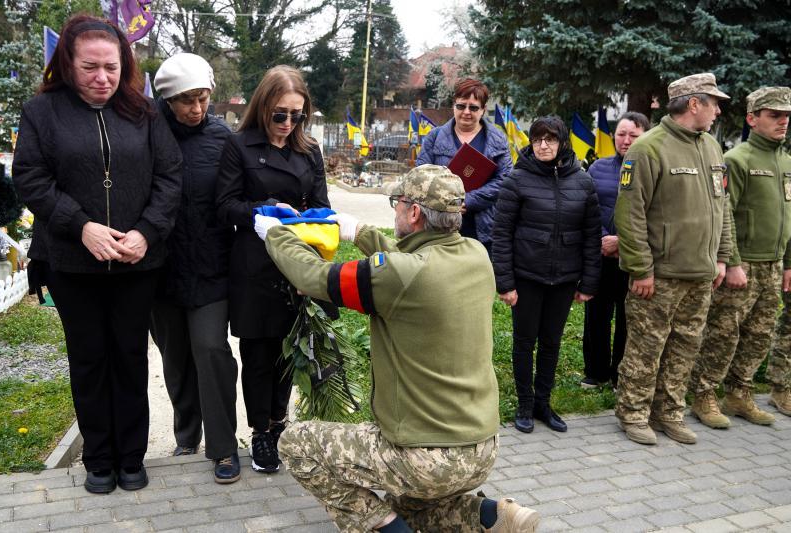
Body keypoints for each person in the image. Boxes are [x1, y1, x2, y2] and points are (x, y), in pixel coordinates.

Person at [252, 164, 539, 533]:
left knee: (297, 444)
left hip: (425, 455)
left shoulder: (399, 275)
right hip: (481, 449)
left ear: (414, 212)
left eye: (397, 203)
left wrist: (277, 236)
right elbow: (411, 263)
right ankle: (492, 516)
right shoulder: (475, 254)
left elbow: (315, 277)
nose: (395, 210)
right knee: (411, 510)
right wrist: (357, 230)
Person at [12, 15, 182, 493]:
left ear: (124, 65)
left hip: (136, 263)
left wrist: (147, 232)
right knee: (88, 358)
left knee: (129, 355)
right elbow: (30, 177)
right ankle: (98, 458)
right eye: (90, 67)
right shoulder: (41, 113)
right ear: (67, 62)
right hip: (72, 262)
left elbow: (170, 177)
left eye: (111, 67)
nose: (102, 78)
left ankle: (132, 457)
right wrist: (80, 226)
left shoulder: (145, 114)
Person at [215, 65, 329, 474]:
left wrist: (315, 240)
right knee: (258, 353)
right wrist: (259, 213)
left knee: (288, 352)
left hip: (296, 262)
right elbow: (224, 204)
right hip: (254, 263)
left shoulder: (308, 149)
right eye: (280, 114)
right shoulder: (239, 145)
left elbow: (322, 206)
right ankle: (260, 430)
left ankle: (279, 423)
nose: (287, 124)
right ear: (263, 107)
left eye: (297, 116)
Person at [614, 73, 732, 445]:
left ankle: (669, 412)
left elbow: (721, 207)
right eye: (713, 103)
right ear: (694, 103)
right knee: (646, 348)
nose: (717, 110)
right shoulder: (649, 148)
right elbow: (629, 213)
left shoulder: (712, 147)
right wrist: (641, 269)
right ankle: (633, 414)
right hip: (660, 275)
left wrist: (722, 258)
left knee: (685, 347)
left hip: (701, 273)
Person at [150, 53, 240, 483]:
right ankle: (187, 435)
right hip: (162, 271)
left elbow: (238, 195)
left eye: (203, 99)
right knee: (175, 358)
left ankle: (223, 447)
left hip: (210, 270)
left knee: (211, 350)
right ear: (167, 99)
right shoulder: (148, 134)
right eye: (187, 101)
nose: (196, 110)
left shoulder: (223, 139)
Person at [689, 86, 791, 427]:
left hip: (773, 264)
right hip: (743, 263)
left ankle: (738, 394)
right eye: (774, 115)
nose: (783, 121)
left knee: (759, 334)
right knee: (723, 333)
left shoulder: (786, 161)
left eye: (786, 116)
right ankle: (704, 396)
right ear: (752, 118)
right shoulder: (737, 160)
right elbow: (724, 215)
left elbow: (788, 218)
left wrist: (788, 263)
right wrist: (731, 263)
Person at [493, 116, 601, 434]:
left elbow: (591, 236)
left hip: (564, 279)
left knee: (551, 343)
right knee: (524, 342)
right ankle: (525, 404)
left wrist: (589, 281)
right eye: (538, 139)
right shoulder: (517, 179)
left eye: (550, 139)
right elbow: (502, 235)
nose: (543, 145)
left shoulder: (582, 182)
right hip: (526, 277)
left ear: (562, 142)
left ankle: (544, 402)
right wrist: (505, 282)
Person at [581, 112, 650, 389]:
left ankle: (621, 373)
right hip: (600, 256)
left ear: (646, 136)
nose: (626, 140)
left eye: (633, 135)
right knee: (596, 316)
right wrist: (601, 239)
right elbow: (586, 209)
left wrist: (622, 242)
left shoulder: (652, 168)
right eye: (621, 134)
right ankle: (595, 373)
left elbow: (655, 216)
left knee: (627, 319)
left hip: (633, 258)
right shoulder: (598, 169)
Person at [416, 78, 512, 254]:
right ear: (454, 106)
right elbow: (420, 174)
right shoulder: (434, 137)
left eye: (473, 107)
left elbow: (504, 180)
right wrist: (446, 200)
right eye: (461, 106)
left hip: (483, 227)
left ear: (483, 110)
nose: (466, 112)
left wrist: (468, 200)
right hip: (440, 225)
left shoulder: (498, 140)